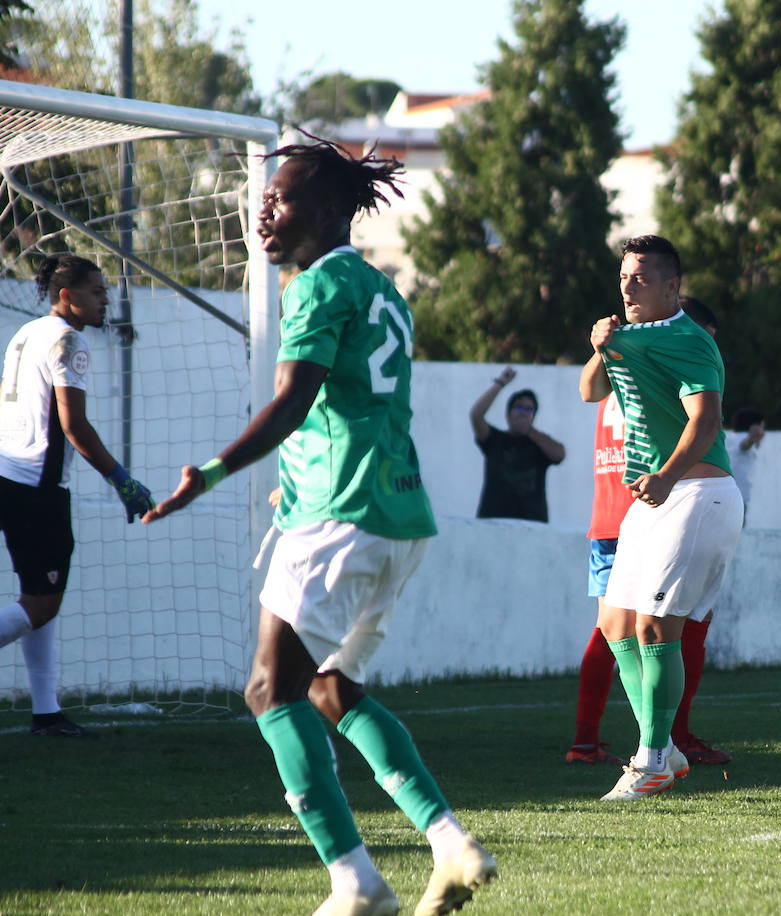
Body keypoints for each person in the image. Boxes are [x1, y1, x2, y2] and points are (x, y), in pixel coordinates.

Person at [143, 137, 495, 916]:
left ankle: (356, 883)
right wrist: (294, 483)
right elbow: (356, 408)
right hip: (396, 516)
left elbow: (295, 401)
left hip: (340, 517)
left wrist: (213, 471)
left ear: (331, 211)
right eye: (264, 197)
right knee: (333, 689)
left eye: (285, 197)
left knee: (271, 689)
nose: (265, 209)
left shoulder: (317, 288)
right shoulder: (380, 288)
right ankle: (449, 843)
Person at [578, 235, 743, 801]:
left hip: (697, 495)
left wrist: (668, 476)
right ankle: (664, 751)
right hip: (650, 501)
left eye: (642, 277)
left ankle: (650, 758)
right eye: (624, 276)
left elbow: (707, 420)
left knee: (655, 628)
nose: (629, 286)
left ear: (673, 287)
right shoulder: (624, 334)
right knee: (615, 626)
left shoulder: (690, 338)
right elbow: (588, 391)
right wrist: (601, 345)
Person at [0, 254, 154, 738]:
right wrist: (122, 480)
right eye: (96, 291)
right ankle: (45, 711)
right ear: (67, 296)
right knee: (41, 606)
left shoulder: (27, 333)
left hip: (8, 474)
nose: (105, 298)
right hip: (36, 488)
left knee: (38, 596)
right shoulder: (70, 340)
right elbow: (75, 425)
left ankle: (46, 712)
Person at [470, 367, 565, 522]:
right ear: (508, 414)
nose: (523, 413)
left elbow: (560, 454)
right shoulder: (494, 439)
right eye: (519, 407)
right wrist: (500, 384)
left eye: (529, 410)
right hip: (493, 523)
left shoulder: (540, 442)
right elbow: (476, 415)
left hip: (532, 525)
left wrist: (529, 431)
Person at [726, 407, 766, 518]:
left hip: (732, 494)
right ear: (754, 427)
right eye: (762, 426)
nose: (763, 430)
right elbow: (743, 446)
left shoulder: (732, 437)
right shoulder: (742, 438)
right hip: (738, 496)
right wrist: (752, 438)